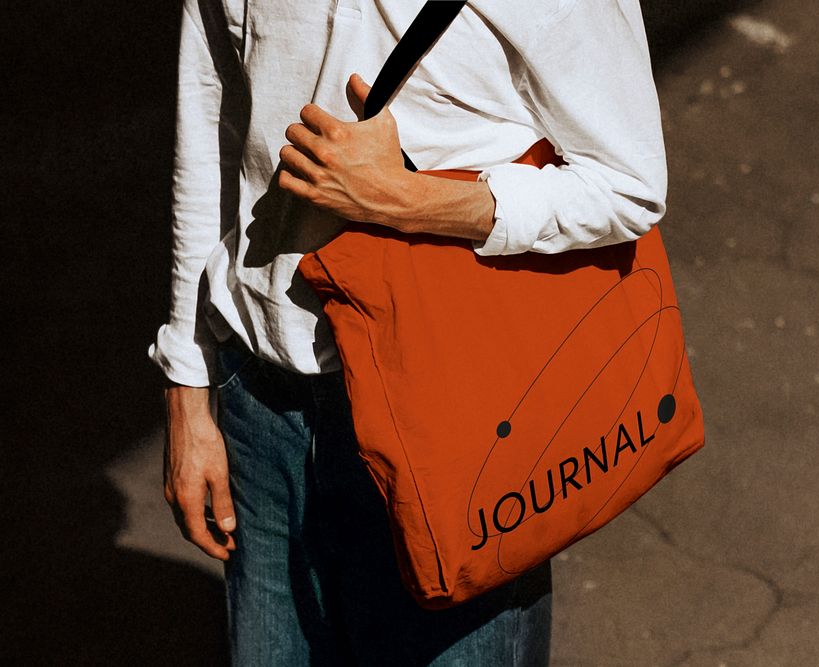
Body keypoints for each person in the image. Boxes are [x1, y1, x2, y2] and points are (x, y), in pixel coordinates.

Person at [150, 0, 667, 664]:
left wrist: (403, 198)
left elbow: (630, 183)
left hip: (456, 416)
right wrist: (187, 387)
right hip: (265, 411)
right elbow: (212, 126)